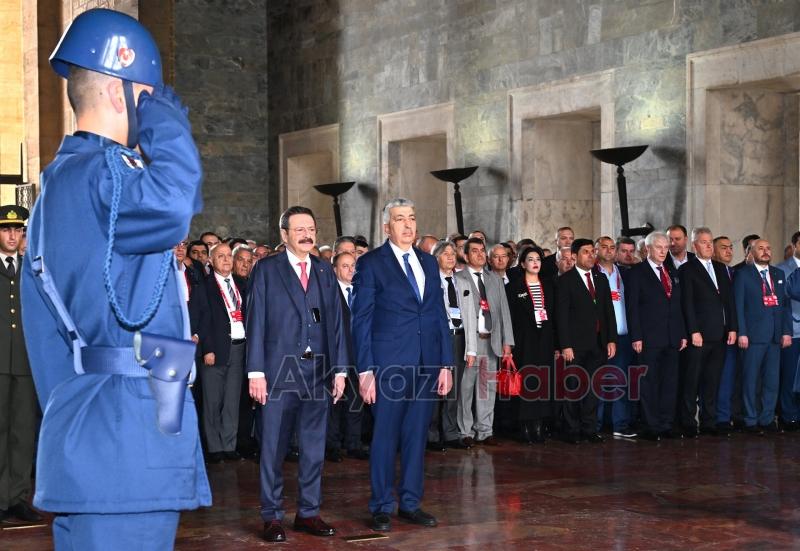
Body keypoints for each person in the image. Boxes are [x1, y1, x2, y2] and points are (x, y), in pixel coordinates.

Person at [21, 8, 210, 549]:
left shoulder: (59, 187)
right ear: (117, 90)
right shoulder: (103, 176)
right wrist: (166, 120)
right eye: (145, 93)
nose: (152, 104)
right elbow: (178, 201)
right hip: (126, 445)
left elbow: (48, 346)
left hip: (93, 438)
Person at [246, 206, 348, 543]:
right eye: (299, 229)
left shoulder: (323, 270)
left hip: (318, 373)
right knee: (273, 448)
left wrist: (340, 371)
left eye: (311, 228)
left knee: (314, 447)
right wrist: (255, 372)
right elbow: (256, 321)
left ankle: (308, 512)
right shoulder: (266, 269)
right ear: (285, 234)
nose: (307, 234)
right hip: (277, 373)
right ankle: (271, 516)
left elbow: (336, 326)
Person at [351, 198, 453, 532]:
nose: (408, 225)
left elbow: (439, 315)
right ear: (386, 227)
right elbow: (361, 319)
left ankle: (410, 502)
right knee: (384, 437)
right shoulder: (371, 264)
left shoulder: (427, 261)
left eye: (411, 218)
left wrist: (445, 365)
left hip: (426, 363)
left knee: (416, 436)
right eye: (399, 219)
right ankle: (381, 504)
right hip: (387, 367)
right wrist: (365, 370)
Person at [0, 205, 41, 524]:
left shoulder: (32, 269)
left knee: (23, 432)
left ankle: (16, 497)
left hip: (26, 362)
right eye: (6, 230)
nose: (13, 235)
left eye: (18, 230)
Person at [625, 232, 687, 441]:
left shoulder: (671, 272)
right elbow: (632, 308)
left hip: (672, 337)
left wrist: (682, 334)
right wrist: (636, 336)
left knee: (670, 383)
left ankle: (666, 424)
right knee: (649, 383)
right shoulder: (637, 273)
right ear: (647, 249)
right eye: (658, 247)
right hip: (648, 338)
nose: (663, 251)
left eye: (666, 247)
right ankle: (652, 426)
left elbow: (678, 307)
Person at [555, 238, 617, 444]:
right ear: (574, 256)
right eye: (586, 252)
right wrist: (565, 345)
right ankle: (572, 430)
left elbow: (608, 312)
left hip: (598, 344)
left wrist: (611, 339)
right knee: (573, 387)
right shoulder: (565, 281)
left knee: (594, 388)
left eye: (592, 251)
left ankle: (589, 428)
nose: (591, 255)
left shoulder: (600, 279)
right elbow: (561, 316)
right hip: (575, 345)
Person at [677, 228, 737, 437]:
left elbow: (729, 302)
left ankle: (709, 421)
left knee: (712, 381)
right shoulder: (687, 270)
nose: (709, 246)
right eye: (704, 242)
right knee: (692, 380)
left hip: (720, 335)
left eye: (710, 242)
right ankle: (688, 423)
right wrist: (693, 330)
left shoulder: (721, 269)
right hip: (699, 336)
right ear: (694, 246)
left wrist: (732, 328)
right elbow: (687, 303)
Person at [456, 237, 514, 445]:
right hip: (470, 342)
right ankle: (465, 431)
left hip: (492, 340)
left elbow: (504, 313)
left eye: (482, 250)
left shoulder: (494, 279)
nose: (480, 254)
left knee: (487, 388)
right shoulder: (458, 277)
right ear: (465, 255)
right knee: (465, 388)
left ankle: (485, 430)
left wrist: (507, 342)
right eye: (475, 251)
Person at [734, 239, 792, 433]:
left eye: (768, 248)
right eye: (761, 248)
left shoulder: (779, 274)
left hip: (775, 337)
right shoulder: (742, 275)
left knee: (772, 381)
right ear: (751, 252)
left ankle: (767, 419)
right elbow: (738, 307)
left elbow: (785, 306)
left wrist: (786, 332)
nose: (766, 251)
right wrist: (742, 332)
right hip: (752, 336)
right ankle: (750, 420)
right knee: (751, 380)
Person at [201, 243, 247, 463]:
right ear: (211, 260)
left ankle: (229, 445)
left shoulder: (241, 283)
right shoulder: (206, 285)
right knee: (212, 401)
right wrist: (207, 348)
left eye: (229, 256)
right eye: (221, 256)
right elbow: (203, 320)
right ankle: (214, 447)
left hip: (239, 348)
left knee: (232, 401)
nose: (227, 260)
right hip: (216, 349)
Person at [505, 245, 555, 444]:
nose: (535, 263)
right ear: (523, 263)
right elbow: (508, 318)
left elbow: (555, 317)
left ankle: (539, 425)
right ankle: (525, 426)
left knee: (543, 383)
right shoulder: (513, 287)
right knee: (526, 384)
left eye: (538, 260)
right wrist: (508, 344)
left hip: (545, 342)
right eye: (531, 259)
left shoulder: (550, 286)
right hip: (523, 342)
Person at [326, 251, 369, 462]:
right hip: (336, 354)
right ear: (335, 269)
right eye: (345, 266)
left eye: (353, 266)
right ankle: (332, 445)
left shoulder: (361, 292)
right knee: (335, 401)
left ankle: (354, 443)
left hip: (360, 354)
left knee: (356, 400)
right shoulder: (329, 293)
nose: (351, 270)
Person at [428, 240, 471, 450]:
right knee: (437, 387)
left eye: (453, 253)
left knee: (454, 388)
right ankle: (432, 434)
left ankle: (451, 432)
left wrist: (471, 346)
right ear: (436, 257)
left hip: (459, 337)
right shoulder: (430, 281)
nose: (451, 256)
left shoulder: (461, 281)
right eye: (446, 253)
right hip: (437, 339)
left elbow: (470, 315)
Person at [778, 231, 800, 431]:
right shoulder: (782, 269)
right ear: (795, 245)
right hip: (792, 331)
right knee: (789, 376)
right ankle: (789, 416)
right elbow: (783, 302)